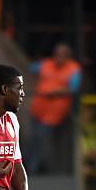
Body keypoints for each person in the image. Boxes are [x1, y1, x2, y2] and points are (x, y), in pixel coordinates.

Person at [26, 43, 81, 173]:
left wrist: (57, 92)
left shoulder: (73, 69)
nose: (58, 57)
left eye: (62, 55)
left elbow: (73, 88)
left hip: (53, 114)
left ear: (68, 56)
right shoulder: (46, 64)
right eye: (57, 54)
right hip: (37, 109)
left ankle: (32, 169)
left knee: (41, 139)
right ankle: (28, 165)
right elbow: (32, 68)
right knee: (32, 138)